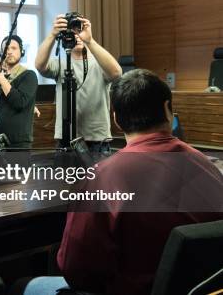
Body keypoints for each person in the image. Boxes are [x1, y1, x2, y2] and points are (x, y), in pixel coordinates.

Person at [23, 69, 223, 295]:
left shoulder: (101, 179)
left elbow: (76, 270)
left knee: (25, 286)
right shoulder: (208, 168)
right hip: (202, 289)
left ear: (116, 119)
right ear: (168, 110)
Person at [34, 13, 122, 153]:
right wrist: (52, 35)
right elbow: (39, 65)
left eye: (79, 29)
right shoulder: (61, 64)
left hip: (96, 138)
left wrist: (90, 40)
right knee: (65, 176)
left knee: (97, 176)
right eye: (72, 31)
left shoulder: (99, 63)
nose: (77, 34)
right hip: (65, 136)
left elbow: (116, 73)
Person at [0, 35, 38, 148]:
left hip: (18, 142)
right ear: (1, 53)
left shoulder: (29, 75)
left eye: (14, 48)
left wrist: (2, 80)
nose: (9, 52)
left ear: (21, 51)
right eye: (6, 49)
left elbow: (19, 102)